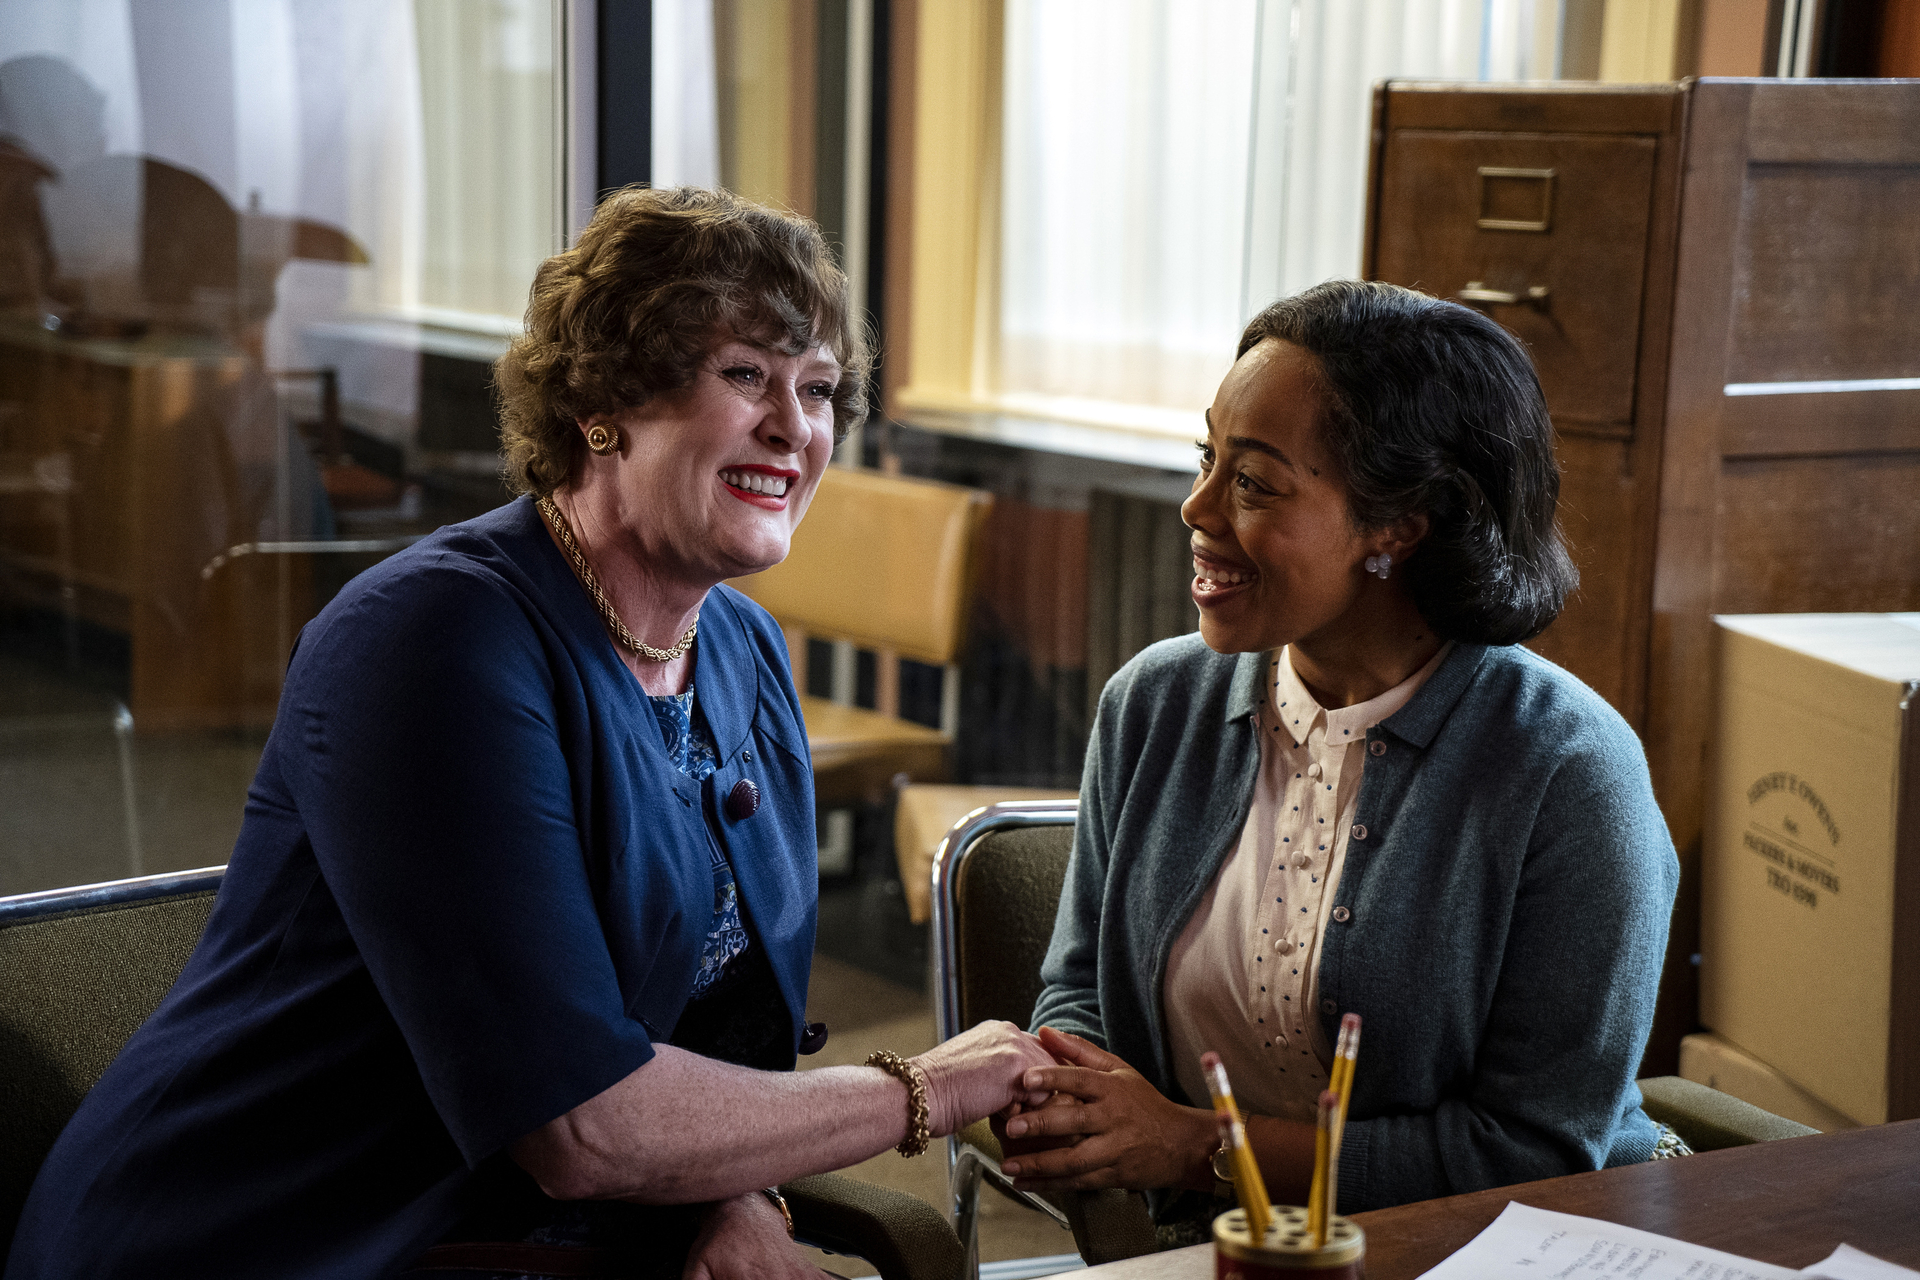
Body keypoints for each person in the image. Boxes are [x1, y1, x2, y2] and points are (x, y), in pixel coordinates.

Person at [5, 187, 1054, 1280]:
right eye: (745, 375)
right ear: (605, 400)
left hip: (527, 1233)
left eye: (821, 388)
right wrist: (927, 1085)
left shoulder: (741, 649)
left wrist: (738, 1192)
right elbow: (581, 1120)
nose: (795, 427)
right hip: (277, 1239)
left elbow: (711, 1033)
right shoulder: (431, 641)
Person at [1002, 280, 1681, 1226]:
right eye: (1208, 459)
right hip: (1209, 1248)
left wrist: (1193, 1147)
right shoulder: (1152, 706)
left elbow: (1533, 1150)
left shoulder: (1568, 772)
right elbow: (1080, 988)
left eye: (1253, 482)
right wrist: (1070, 1097)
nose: (1196, 508)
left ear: (1400, 526)